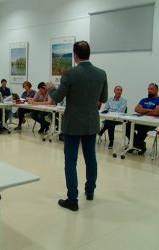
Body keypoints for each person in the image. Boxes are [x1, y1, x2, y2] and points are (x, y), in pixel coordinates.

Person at [46, 40, 108, 211]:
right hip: (91, 122)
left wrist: (51, 88)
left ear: (75, 55)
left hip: (73, 123)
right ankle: (90, 192)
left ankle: (72, 199)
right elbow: (103, 98)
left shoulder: (69, 74)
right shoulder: (101, 73)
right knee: (91, 159)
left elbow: (57, 97)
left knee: (70, 161)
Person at [125, 83, 159, 155]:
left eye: (151, 89)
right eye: (148, 89)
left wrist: (143, 111)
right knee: (127, 125)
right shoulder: (144, 100)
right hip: (140, 121)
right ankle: (140, 145)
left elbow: (155, 113)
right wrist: (150, 110)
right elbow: (136, 109)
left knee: (142, 127)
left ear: (157, 90)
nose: (149, 91)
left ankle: (133, 145)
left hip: (152, 123)